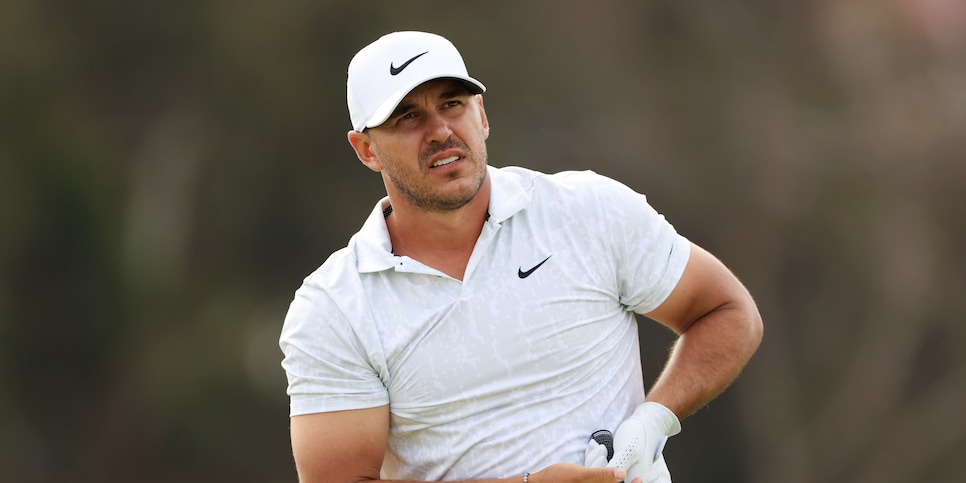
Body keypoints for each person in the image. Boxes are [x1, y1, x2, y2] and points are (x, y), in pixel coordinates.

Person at [279, 31, 763, 483]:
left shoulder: (587, 211)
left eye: (453, 103)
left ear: (482, 115)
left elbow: (726, 311)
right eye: (408, 116)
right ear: (367, 150)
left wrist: (656, 418)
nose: (441, 130)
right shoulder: (335, 308)